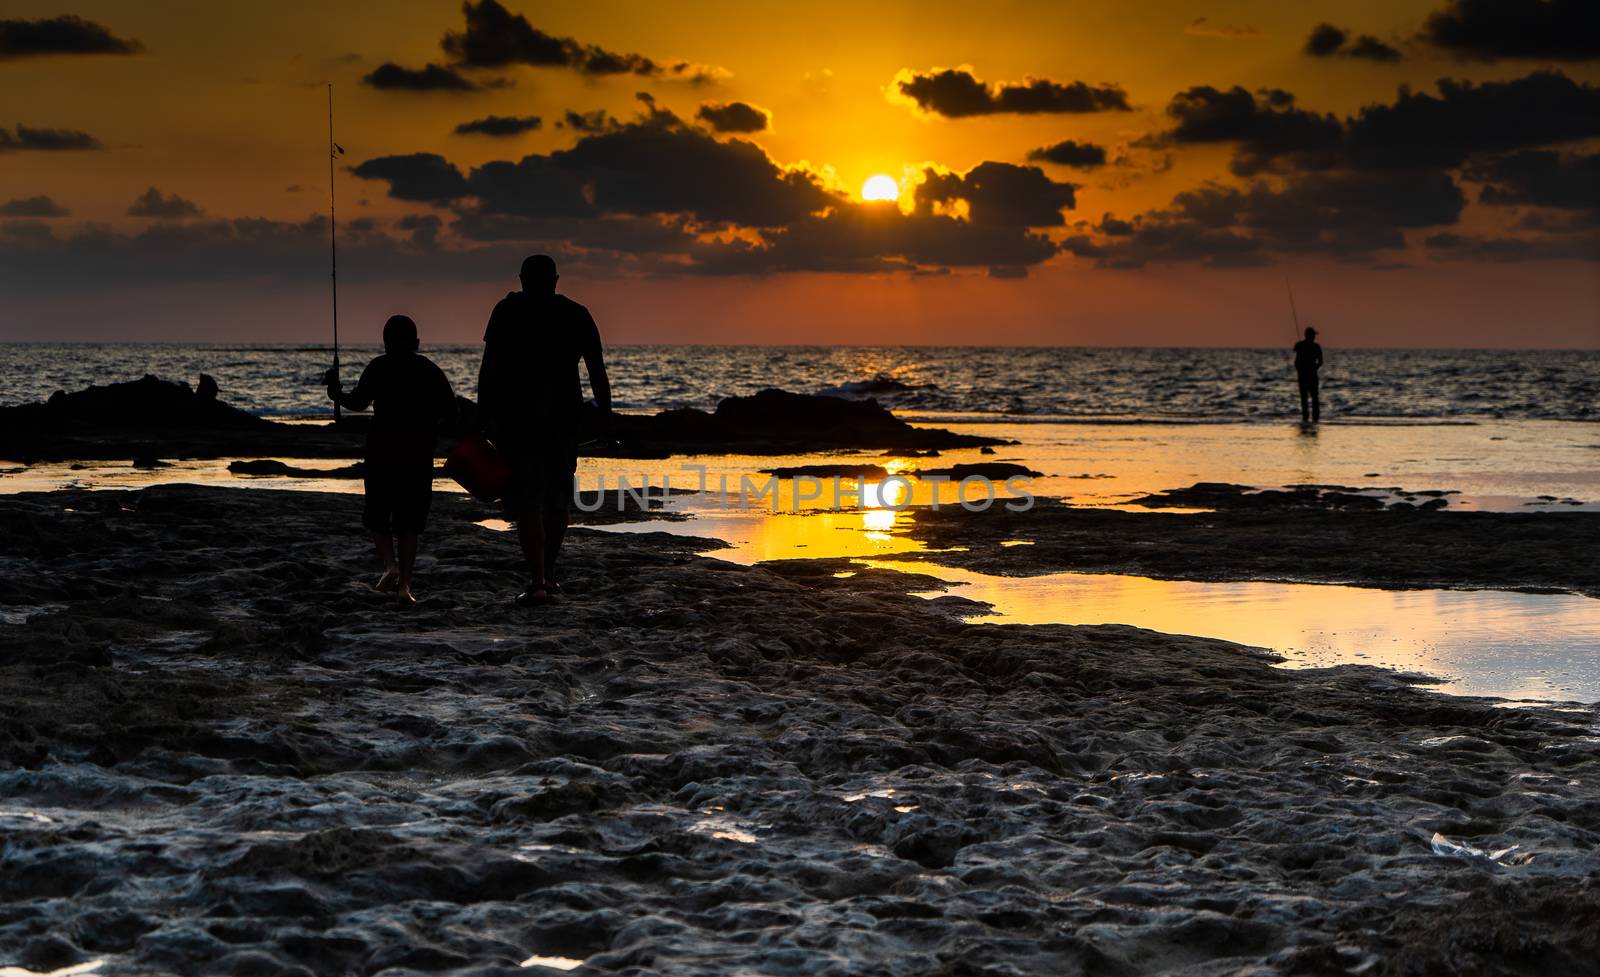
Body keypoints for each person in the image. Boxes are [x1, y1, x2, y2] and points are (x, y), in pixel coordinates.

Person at [478, 254, 612, 605]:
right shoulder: (576, 314)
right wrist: (606, 415)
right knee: (554, 501)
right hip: (561, 421)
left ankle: (539, 578)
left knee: (530, 502)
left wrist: (483, 416)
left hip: (519, 421)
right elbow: (597, 371)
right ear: (555, 280)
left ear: (522, 279)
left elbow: (488, 370)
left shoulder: (507, 312)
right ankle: (546, 574)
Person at [325, 315, 455, 605]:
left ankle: (390, 565)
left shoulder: (379, 367)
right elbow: (452, 411)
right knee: (410, 522)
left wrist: (336, 393)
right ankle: (404, 584)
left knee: (377, 514)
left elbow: (358, 402)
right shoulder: (429, 370)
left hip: (382, 451)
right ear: (417, 343)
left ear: (385, 343)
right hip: (418, 454)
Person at [1293, 326, 1323, 423]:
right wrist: (1314, 369)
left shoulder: (1300, 345)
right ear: (1310, 336)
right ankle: (1315, 418)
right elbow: (1321, 362)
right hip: (1312, 375)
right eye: (1313, 335)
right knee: (1314, 398)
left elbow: (1296, 362)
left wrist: (1300, 370)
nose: (1314, 336)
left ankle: (1306, 417)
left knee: (1305, 398)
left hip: (1303, 376)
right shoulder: (1316, 347)